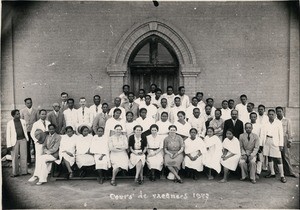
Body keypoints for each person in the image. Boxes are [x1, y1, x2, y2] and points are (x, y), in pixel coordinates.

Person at [263, 109, 286, 183]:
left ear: (275, 115)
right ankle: (272, 173)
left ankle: (282, 175)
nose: (271, 116)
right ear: (268, 115)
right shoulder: (265, 123)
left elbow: (281, 134)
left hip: (275, 141)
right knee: (269, 156)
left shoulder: (278, 122)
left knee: (279, 158)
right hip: (267, 140)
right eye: (270, 114)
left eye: (272, 114)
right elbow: (263, 133)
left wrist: (281, 145)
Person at [276, 106, 298, 177]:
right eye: (277, 111)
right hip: (276, 139)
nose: (279, 113)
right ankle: (277, 172)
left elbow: (290, 132)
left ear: (283, 112)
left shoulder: (287, 120)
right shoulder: (275, 120)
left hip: (284, 139)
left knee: (286, 156)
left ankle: (290, 172)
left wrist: (289, 141)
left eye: (280, 111)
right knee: (277, 156)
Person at [29, 109, 51, 181]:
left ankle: (47, 172)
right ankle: (36, 174)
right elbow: (32, 133)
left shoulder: (48, 123)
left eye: (45, 114)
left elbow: (50, 132)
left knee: (47, 157)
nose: (44, 115)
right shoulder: (36, 123)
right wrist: (36, 141)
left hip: (47, 143)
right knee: (39, 158)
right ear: (39, 115)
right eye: (42, 114)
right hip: (39, 143)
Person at [6, 109, 29, 177]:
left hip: (23, 140)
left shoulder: (23, 121)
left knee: (24, 156)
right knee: (15, 157)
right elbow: (8, 135)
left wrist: (26, 138)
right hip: (14, 142)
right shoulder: (9, 123)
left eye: (19, 113)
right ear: (13, 115)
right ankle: (15, 173)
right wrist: (9, 145)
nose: (19, 115)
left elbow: (25, 131)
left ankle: (24, 171)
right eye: (17, 114)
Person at [20, 97, 39, 165]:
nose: (29, 104)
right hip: (26, 130)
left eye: (30, 102)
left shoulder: (36, 110)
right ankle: (28, 161)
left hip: (34, 130)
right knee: (27, 146)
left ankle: (37, 160)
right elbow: (21, 121)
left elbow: (37, 121)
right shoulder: (22, 111)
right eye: (28, 103)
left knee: (35, 145)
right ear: (25, 103)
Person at [249, 112, 265, 179]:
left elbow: (261, 135)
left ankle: (258, 172)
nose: (253, 118)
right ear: (250, 117)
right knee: (251, 158)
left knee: (259, 158)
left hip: (258, 144)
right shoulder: (248, 125)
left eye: (254, 117)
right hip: (249, 144)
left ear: (256, 117)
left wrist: (260, 145)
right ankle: (251, 172)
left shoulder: (259, 125)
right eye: (251, 117)